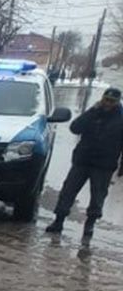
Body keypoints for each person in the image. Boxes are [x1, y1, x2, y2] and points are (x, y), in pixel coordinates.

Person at [45, 87, 123, 242]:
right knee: (68, 191)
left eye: (111, 101)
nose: (108, 104)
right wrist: (92, 111)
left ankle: (89, 225)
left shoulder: (121, 118)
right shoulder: (94, 113)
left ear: (117, 102)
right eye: (106, 100)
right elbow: (75, 128)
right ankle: (58, 220)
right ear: (102, 98)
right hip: (83, 160)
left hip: (104, 165)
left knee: (98, 196)